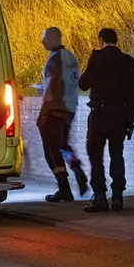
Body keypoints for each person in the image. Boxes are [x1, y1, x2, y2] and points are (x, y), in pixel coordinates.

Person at [78, 28, 134, 212]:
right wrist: (130, 116)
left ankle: (99, 197)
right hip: (120, 115)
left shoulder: (97, 59)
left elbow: (83, 84)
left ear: (100, 40)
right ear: (116, 40)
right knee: (117, 155)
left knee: (96, 156)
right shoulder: (128, 61)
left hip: (100, 114)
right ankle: (118, 197)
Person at [37, 27, 88, 202]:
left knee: (51, 149)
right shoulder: (70, 57)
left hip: (54, 109)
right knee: (63, 145)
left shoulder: (54, 60)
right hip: (69, 109)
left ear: (55, 39)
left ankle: (64, 187)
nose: (42, 41)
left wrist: (43, 112)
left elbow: (52, 85)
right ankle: (77, 168)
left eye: (45, 38)